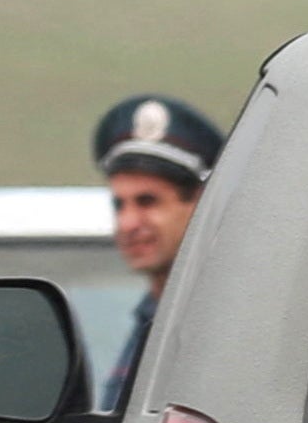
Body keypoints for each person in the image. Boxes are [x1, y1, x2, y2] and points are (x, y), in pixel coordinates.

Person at [91, 90, 221, 405]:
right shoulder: (153, 313)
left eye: (147, 202)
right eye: (119, 205)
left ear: (201, 203)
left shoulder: (220, 318)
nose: (128, 223)